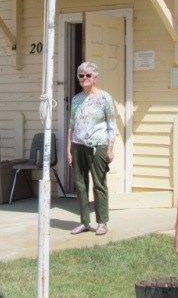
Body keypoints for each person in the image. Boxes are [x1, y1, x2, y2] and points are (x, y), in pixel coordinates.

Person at [67, 62, 116, 236]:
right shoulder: (76, 99)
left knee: (99, 184)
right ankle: (84, 222)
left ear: (95, 78)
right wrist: (69, 149)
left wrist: (110, 148)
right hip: (78, 146)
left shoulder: (104, 98)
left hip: (98, 146)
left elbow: (112, 124)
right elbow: (72, 125)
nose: (84, 78)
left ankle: (102, 222)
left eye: (88, 75)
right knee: (80, 186)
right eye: (81, 75)